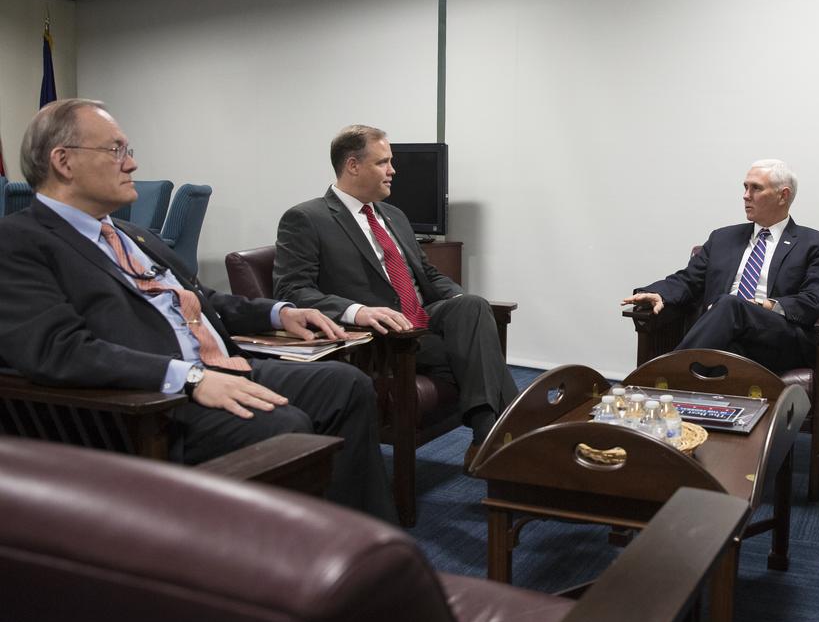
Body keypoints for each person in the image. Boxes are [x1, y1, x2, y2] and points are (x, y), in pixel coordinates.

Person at [0, 99, 395, 521]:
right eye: (116, 150)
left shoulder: (131, 234)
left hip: (216, 366)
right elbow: (58, 350)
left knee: (347, 385)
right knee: (283, 425)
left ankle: (361, 540)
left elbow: (202, 298)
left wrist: (279, 313)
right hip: (148, 401)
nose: (131, 164)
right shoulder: (20, 241)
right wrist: (187, 378)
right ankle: (290, 571)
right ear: (63, 161)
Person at [274, 125, 516, 465]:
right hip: (380, 340)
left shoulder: (394, 215)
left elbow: (427, 275)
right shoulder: (306, 218)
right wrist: (356, 311)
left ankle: (488, 437)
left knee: (473, 306)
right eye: (383, 162)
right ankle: (503, 439)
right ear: (353, 165)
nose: (393, 171)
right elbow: (292, 291)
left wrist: (457, 298)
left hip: (422, 322)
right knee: (479, 353)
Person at [622, 159, 819, 376]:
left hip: (776, 340)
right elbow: (689, 280)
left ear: (783, 195)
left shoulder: (816, 245)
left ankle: (662, 379)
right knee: (722, 352)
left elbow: (816, 299)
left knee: (729, 304)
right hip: (721, 337)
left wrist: (768, 305)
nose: (745, 195)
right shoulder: (722, 238)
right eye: (745, 187)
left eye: (756, 188)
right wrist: (658, 293)